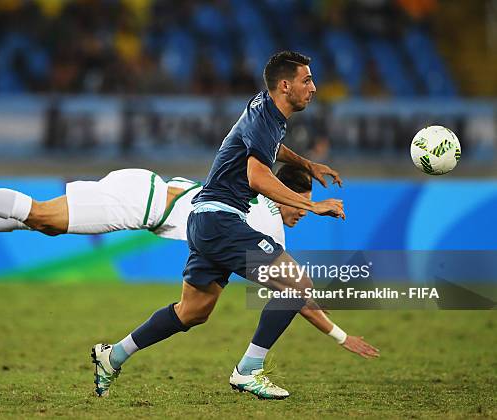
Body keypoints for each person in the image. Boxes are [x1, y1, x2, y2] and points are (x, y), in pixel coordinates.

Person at [91, 51, 378, 399]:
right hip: (220, 219)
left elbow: (269, 148)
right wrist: (311, 204)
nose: (314, 88)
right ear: (285, 85)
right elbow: (257, 176)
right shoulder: (265, 118)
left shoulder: (265, 110)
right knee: (296, 284)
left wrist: (307, 163)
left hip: (207, 220)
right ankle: (249, 370)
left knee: (193, 312)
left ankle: (113, 356)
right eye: (307, 80)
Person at [0, 168, 285, 264]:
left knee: (45, 224)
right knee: (40, 214)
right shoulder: (266, 218)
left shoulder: (246, 192)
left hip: (143, 186)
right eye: (299, 203)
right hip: (143, 205)